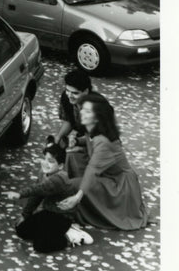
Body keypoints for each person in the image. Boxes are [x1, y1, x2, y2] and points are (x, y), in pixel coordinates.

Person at [58, 92, 148, 230]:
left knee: (75, 185)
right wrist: (77, 141)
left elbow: (92, 170)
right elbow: (88, 141)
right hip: (108, 176)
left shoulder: (104, 142)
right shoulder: (93, 130)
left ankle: (78, 207)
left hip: (119, 186)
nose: (81, 112)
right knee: (72, 156)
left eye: (87, 111)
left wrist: (77, 197)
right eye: (82, 108)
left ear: (98, 117)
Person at [5, 142, 93, 252]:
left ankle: (69, 237)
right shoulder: (44, 173)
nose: (46, 163)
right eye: (45, 159)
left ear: (60, 166)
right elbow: (37, 195)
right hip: (48, 212)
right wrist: (25, 215)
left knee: (41, 246)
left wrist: (20, 194)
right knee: (21, 230)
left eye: (51, 161)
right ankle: (48, 233)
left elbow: (36, 189)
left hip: (61, 217)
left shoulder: (58, 179)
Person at [53, 68, 93, 177]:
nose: (69, 95)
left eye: (75, 93)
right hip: (82, 137)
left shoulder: (96, 108)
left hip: (97, 143)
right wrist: (59, 137)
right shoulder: (67, 98)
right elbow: (69, 120)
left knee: (72, 156)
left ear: (86, 91)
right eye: (67, 90)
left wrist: (77, 142)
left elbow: (96, 139)